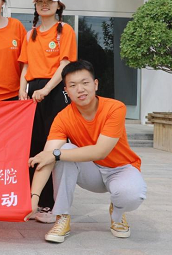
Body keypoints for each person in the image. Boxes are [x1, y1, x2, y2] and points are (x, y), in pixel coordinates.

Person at [26, 60, 147, 243]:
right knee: (62, 151)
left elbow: (100, 151)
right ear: (66, 91)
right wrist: (33, 199)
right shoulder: (63, 117)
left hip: (120, 169)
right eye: (73, 85)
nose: (80, 89)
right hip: (91, 172)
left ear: (95, 84)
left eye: (85, 83)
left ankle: (117, 213)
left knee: (131, 195)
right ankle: (62, 217)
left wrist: (55, 154)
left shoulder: (115, 108)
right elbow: (46, 158)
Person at [18, 0, 77, 224]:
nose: (44, 5)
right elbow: (25, 66)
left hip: (54, 92)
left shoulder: (65, 30)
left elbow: (64, 64)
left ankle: (54, 205)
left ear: (58, 6)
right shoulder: (30, 34)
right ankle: (37, 202)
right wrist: (21, 89)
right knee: (33, 145)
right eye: (40, 1)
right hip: (33, 93)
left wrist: (46, 89)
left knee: (53, 146)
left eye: (49, 1)